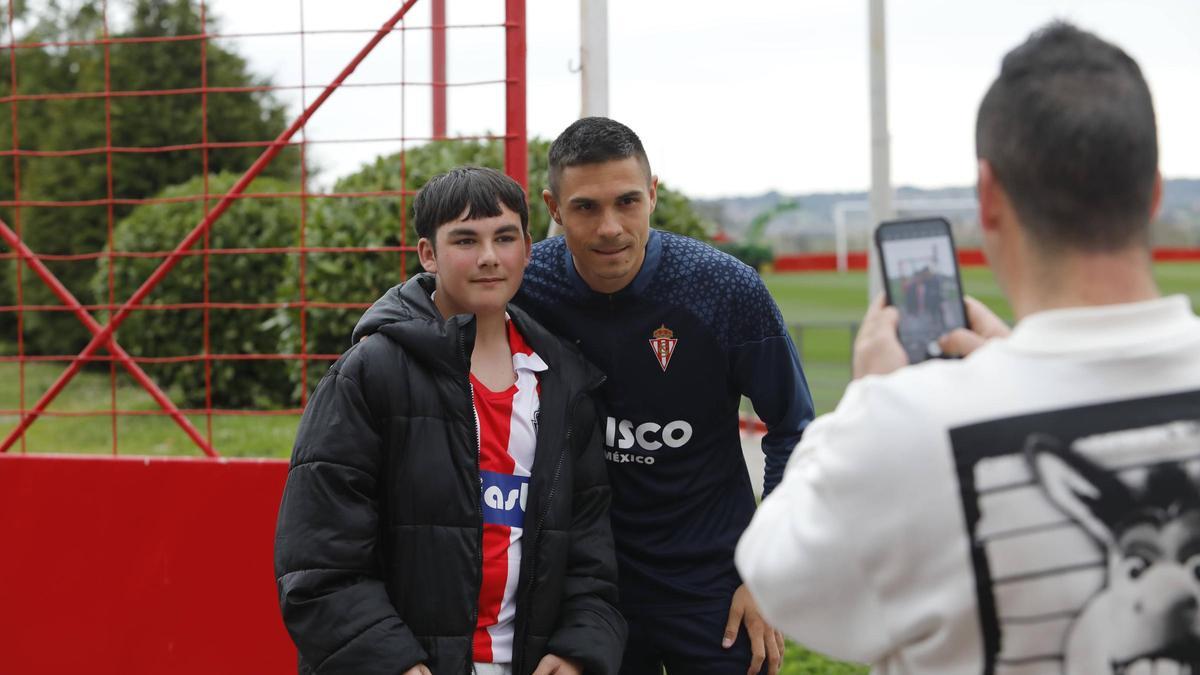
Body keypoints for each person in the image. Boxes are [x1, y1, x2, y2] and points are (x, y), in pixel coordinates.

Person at [736, 22, 1200, 674]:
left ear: (988, 196)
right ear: (1154, 190)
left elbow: (774, 571)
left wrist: (868, 398)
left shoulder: (908, 422)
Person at [275, 167, 626, 675]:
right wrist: (395, 664)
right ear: (428, 255)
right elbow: (317, 561)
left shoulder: (566, 384)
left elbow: (592, 558)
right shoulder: (371, 372)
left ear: (527, 249)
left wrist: (577, 649)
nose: (488, 257)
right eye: (465, 239)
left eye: (504, 238)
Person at [515, 117, 815, 675]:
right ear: (553, 208)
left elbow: (794, 426)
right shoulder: (526, 286)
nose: (610, 227)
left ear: (652, 195)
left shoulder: (725, 289)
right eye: (586, 207)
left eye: (627, 201)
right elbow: (436, 298)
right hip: (587, 590)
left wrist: (766, 572)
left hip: (715, 586)